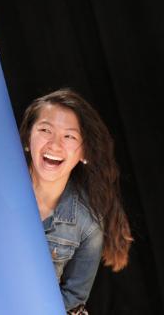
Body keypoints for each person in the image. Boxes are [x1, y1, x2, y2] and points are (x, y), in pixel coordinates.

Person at [19, 89, 132, 314]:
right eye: (45, 130)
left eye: (69, 136)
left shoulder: (87, 223)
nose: (55, 144)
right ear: (27, 139)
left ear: (84, 152)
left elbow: (73, 296)